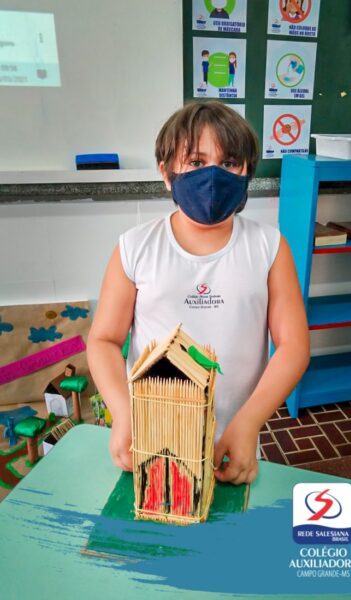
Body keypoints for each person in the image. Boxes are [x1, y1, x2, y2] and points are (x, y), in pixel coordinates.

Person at [87, 100, 310, 485]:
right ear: (166, 172)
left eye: (229, 163)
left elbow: (293, 346)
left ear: (247, 172)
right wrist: (123, 415)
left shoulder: (270, 248)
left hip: (235, 440)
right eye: (195, 161)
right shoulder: (135, 247)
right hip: (150, 436)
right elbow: (104, 340)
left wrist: (249, 423)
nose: (212, 176)